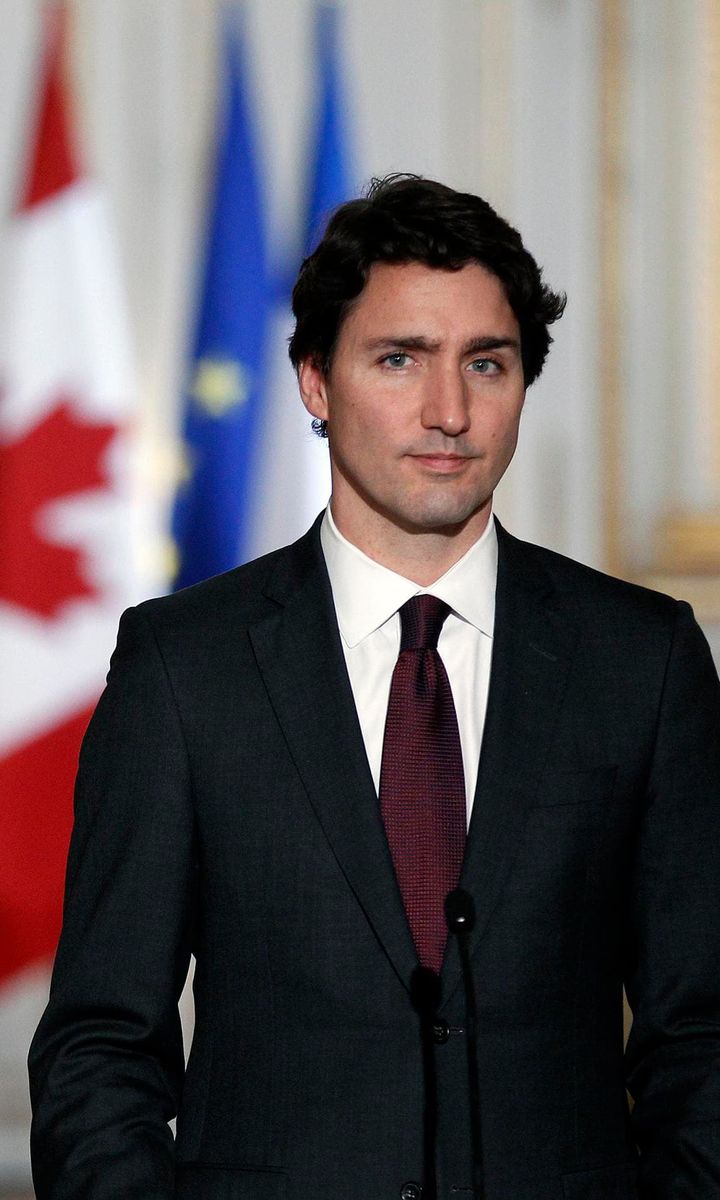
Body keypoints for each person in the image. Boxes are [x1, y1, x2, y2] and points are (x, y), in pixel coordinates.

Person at [29, 175, 720, 1200]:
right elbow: (99, 1048)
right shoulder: (185, 667)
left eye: (486, 363)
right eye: (399, 360)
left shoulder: (642, 660)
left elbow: (702, 1038)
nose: (448, 413)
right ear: (315, 379)